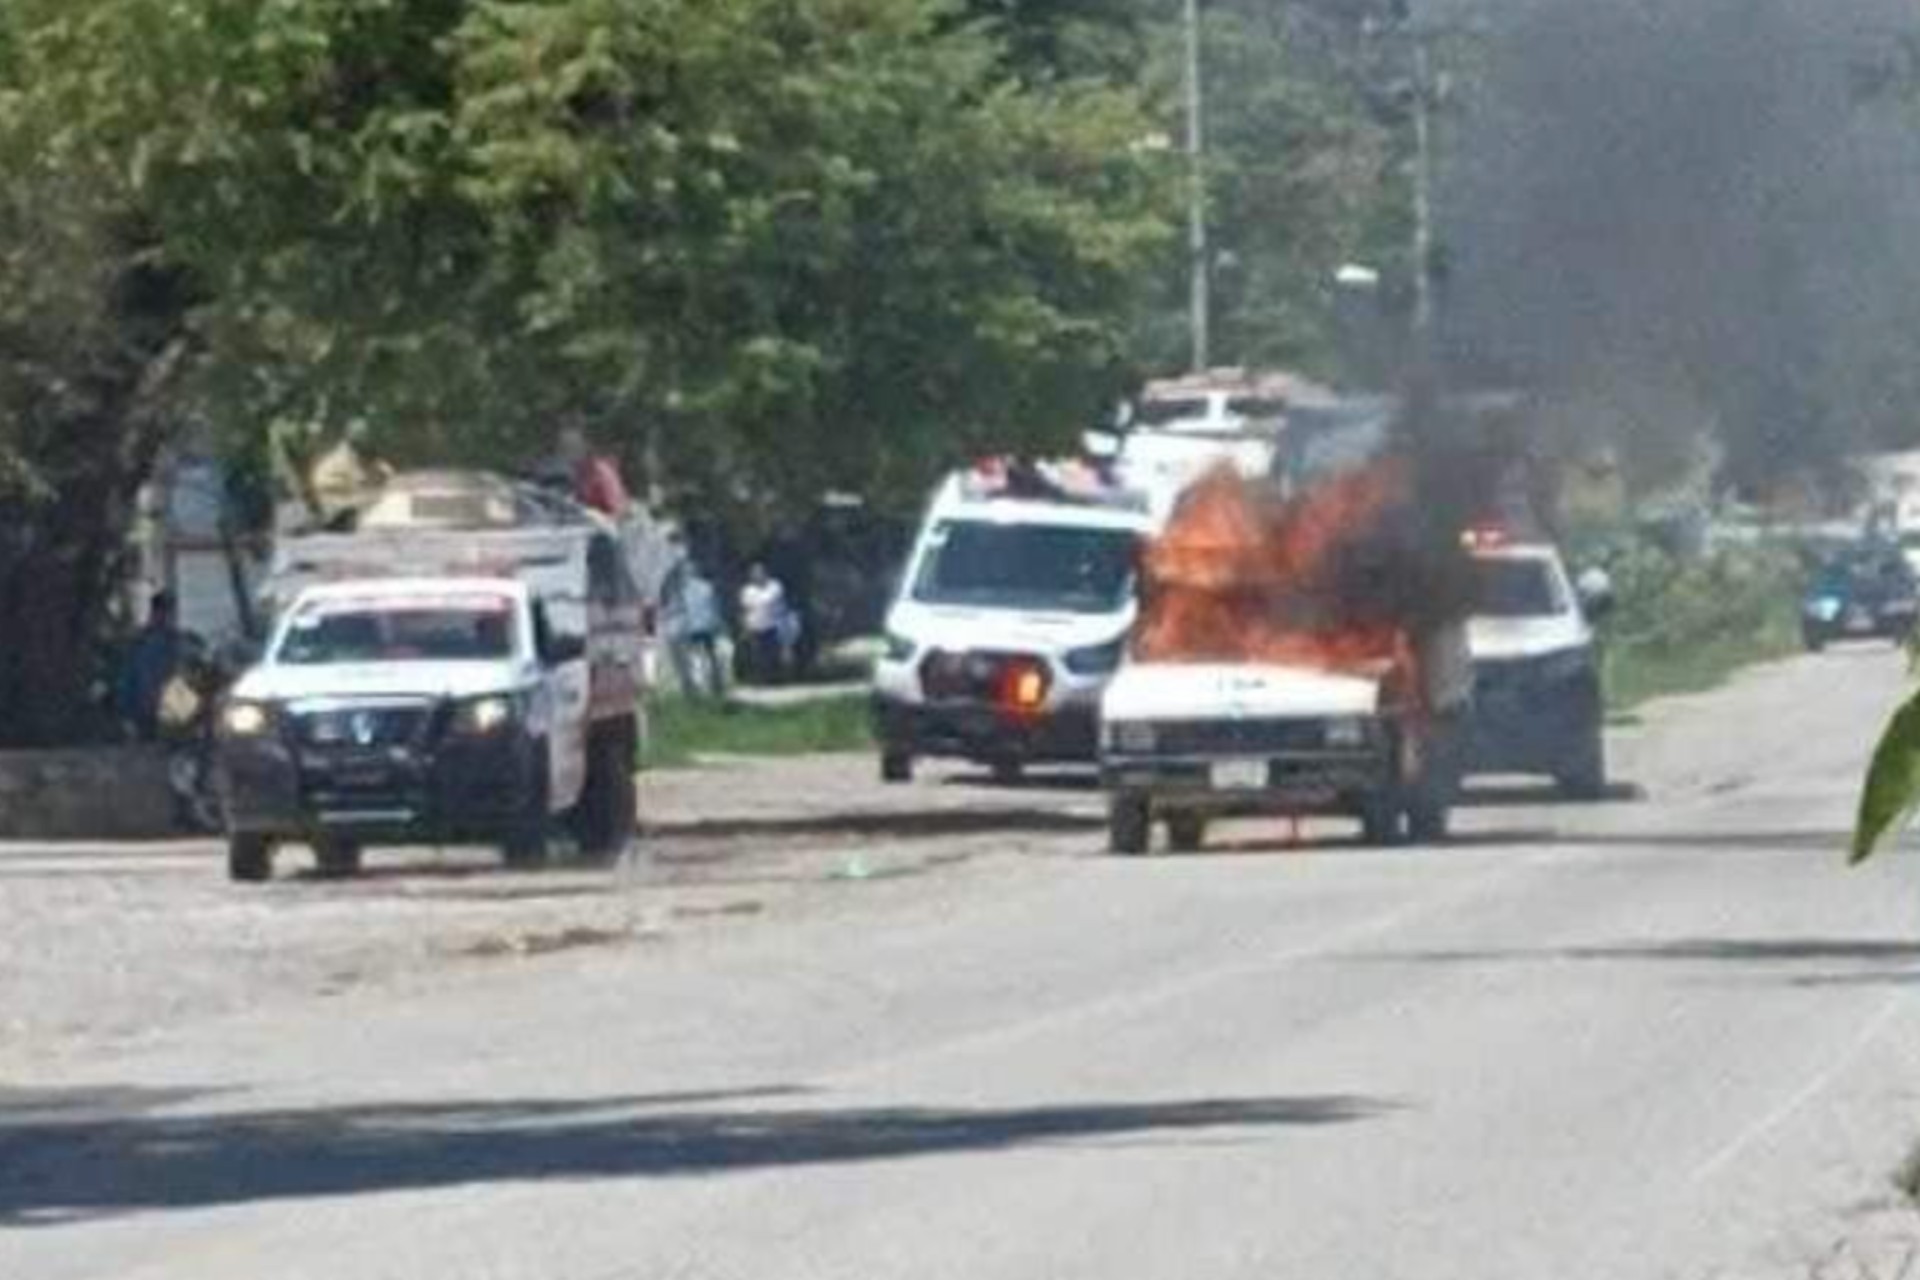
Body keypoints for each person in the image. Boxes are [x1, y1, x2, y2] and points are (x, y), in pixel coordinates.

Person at [117, 591, 182, 742]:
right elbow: (130, 677)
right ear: (155, 612)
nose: (167, 616)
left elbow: (180, 676)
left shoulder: (174, 639)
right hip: (145, 707)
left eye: (169, 612)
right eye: (163, 611)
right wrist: (126, 712)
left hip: (170, 709)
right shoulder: (142, 640)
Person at [661, 560, 726, 698]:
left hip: (695, 627)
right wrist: (717, 622)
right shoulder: (704, 587)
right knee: (708, 657)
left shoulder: (685, 590)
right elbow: (714, 606)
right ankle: (713, 685)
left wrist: (668, 614)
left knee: (701, 658)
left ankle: (708, 686)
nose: (686, 575)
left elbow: (679, 608)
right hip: (702, 626)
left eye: (687, 572)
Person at [556, 427, 631, 520]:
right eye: (564, 447)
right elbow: (579, 500)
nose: (567, 452)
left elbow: (617, 510)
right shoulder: (579, 472)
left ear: (585, 446)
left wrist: (593, 515)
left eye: (572, 446)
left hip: (608, 526)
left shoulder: (600, 472)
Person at [738, 562, 788, 685]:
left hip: (773, 625)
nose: (758, 575)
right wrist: (745, 626)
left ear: (766, 573)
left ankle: (777, 679)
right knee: (758, 655)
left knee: (774, 653)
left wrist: (759, 604)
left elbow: (771, 602)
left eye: (760, 572)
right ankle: (761, 680)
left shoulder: (775, 586)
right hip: (755, 627)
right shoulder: (747, 590)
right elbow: (746, 609)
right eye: (755, 573)